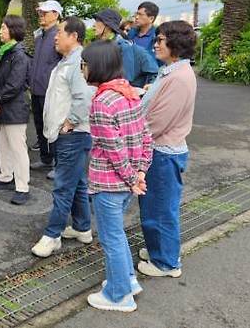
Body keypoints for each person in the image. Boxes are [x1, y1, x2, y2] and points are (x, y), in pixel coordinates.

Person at [82, 40, 153, 313]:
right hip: (127, 182)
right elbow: (145, 136)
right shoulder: (129, 92)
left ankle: (119, 294)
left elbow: (114, 149)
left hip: (110, 183)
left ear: (97, 67)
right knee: (117, 235)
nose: (83, 69)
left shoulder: (101, 102)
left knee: (111, 238)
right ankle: (127, 281)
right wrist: (140, 172)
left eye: (85, 65)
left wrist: (131, 178)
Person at [138, 21, 197, 278]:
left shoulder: (179, 77)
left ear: (175, 44)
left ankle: (166, 262)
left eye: (161, 39)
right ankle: (158, 250)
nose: (156, 44)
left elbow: (157, 122)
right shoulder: (171, 72)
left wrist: (132, 139)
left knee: (161, 209)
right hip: (159, 150)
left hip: (163, 152)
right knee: (154, 206)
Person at [31, 17, 94, 257]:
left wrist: (68, 124)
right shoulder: (67, 61)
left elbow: (83, 99)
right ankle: (82, 228)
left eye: (60, 32)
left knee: (62, 187)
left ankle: (52, 235)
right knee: (77, 182)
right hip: (68, 135)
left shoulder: (78, 63)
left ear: (74, 37)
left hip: (72, 136)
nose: (55, 37)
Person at [0, 15, 31, 205]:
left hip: (15, 109)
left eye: (3, 28)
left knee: (18, 149)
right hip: (3, 107)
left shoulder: (19, 55)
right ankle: (6, 176)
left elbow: (14, 84)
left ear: (13, 30)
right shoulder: (5, 52)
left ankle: (23, 186)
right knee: (4, 145)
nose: (0, 31)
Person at [28, 0, 63, 177]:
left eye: (45, 12)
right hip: (36, 89)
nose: (41, 15)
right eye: (40, 12)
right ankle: (45, 158)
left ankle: (58, 163)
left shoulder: (59, 35)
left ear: (55, 15)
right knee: (40, 125)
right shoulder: (40, 35)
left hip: (51, 91)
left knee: (53, 127)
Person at [93, 8, 158, 88]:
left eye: (97, 21)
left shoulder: (123, 47)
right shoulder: (102, 46)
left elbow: (125, 80)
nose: (94, 25)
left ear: (107, 26)